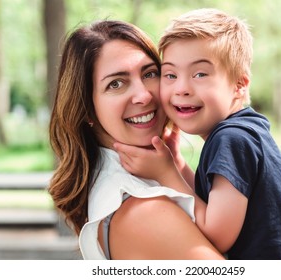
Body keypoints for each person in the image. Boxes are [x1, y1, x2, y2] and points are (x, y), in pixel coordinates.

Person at [114, 8, 281, 259]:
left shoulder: (232, 139)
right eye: (170, 74)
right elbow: (210, 204)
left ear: (239, 86)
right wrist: (178, 164)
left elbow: (217, 236)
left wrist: (166, 173)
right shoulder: (244, 130)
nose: (182, 88)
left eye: (200, 74)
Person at [48, 19, 224, 260]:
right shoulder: (143, 211)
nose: (143, 95)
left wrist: (176, 168)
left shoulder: (146, 180)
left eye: (150, 73)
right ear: (87, 108)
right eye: (116, 84)